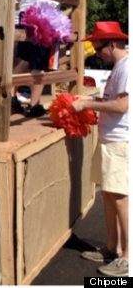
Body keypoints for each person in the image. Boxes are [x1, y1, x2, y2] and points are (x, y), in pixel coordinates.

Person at [72, 21, 129, 277]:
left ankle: (128, 258)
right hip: (110, 139)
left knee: (120, 198)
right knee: (108, 195)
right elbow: (111, 102)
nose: (97, 53)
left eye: (98, 49)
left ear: (113, 44)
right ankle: (111, 247)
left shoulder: (127, 68)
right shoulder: (120, 67)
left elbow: (121, 106)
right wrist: (88, 100)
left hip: (120, 141)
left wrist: (86, 106)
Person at [14, 0, 81, 117]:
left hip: (26, 14)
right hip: (48, 14)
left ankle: (10, 97)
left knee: (24, 59)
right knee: (41, 63)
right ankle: (33, 105)